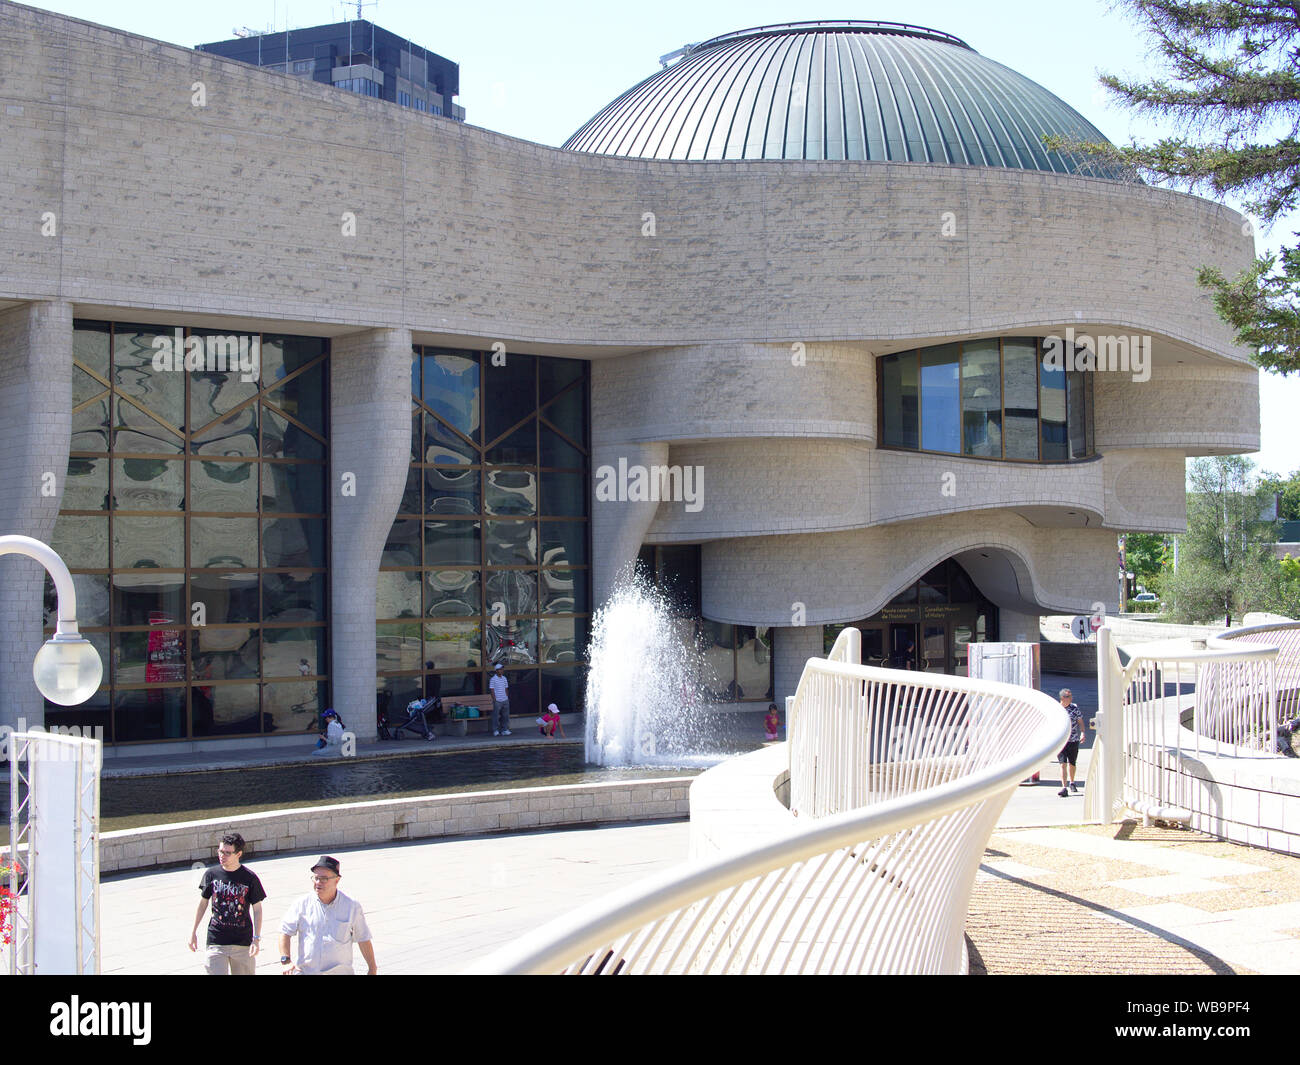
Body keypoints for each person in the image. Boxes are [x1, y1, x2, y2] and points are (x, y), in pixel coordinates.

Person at [278, 855, 377, 975]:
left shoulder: (351, 906)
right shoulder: (301, 904)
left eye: (324, 879)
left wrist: (372, 968)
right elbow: (285, 931)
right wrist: (286, 960)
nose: (318, 883)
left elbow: (363, 938)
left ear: (337, 880)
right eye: (316, 878)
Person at [188, 831, 266, 975]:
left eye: (227, 853)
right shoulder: (211, 874)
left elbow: (257, 909)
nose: (222, 856)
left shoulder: (250, 878)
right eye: (220, 851)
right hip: (216, 940)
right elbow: (203, 903)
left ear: (238, 854)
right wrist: (193, 932)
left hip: (242, 942)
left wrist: (256, 938)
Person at [1056, 688, 1087, 796]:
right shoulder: (1056, 709)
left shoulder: (1074, 708)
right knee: (1062, 764)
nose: (1071, 698)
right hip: (1061, 741)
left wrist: (1083, 732)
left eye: (1071, 696)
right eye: (1069, 696)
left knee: (1072, 763)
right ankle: (1064, 787)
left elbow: (1080, 721)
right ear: (1063, 698)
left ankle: (1072, 782)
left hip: (1073, 739)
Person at [489, 663, 511, 736]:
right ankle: (495, 730)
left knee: (505, 716)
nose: (502, 671)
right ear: (496, 670)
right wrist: (494, 699)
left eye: (502, 669)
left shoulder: (504, 678)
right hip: (497, 700)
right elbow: (492, 690)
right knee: (496, 716)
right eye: (500, 669)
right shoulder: (493, 679)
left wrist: (506, 697)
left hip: (505, 699)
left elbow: (506, 688)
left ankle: (504, 729)